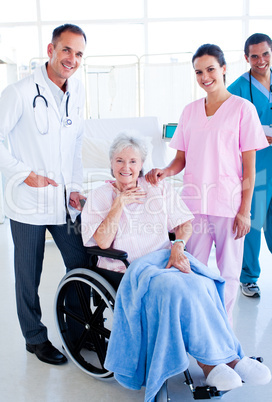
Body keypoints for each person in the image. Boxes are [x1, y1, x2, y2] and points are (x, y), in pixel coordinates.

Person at [81, 134, 271, 402]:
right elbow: (100, 241)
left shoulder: (155, 187)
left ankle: (231, 359)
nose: (126, 167)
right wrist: (119, 203)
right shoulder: (101, 194)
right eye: (120, 160)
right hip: (130, 268)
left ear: (142, 164)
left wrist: (178, 245)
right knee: (175, 288)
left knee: (203, 283)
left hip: (165, 259)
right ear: (111, 164)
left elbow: (184, 222)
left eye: (133, 161)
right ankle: (209, 364)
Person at [145, 44, 268, 323]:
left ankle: (221, 333)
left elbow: (250, 168)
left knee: (228, 273)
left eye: (210, 69)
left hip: (229, 205)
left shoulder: (243, 110)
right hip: (194, 206)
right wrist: (165, 171)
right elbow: (181, 159)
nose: (205, 77)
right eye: (199, 72)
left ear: (224, 69)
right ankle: (198, 328)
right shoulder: (189, 112)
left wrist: (245, 211)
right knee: (193, 269)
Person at [0, 24, 90, 365]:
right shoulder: (20, 92)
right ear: (50, 50)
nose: (72, 59)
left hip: (65, 202)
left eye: (79, 53)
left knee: (81, 264)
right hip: (28, 203)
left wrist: (77, 186)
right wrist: (24, 174)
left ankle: (79, 332)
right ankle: (35, 339)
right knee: (28, 274)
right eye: (66, 50)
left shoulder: (78, 90)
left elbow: (76, 143)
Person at [228, 33, 272, 298]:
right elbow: (228, 129)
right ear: (246, 58)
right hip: (257, 165)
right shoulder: (237, 88)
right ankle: (249, 277)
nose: (260, 60)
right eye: (254, 56)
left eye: (265, 54)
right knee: (252, 221)